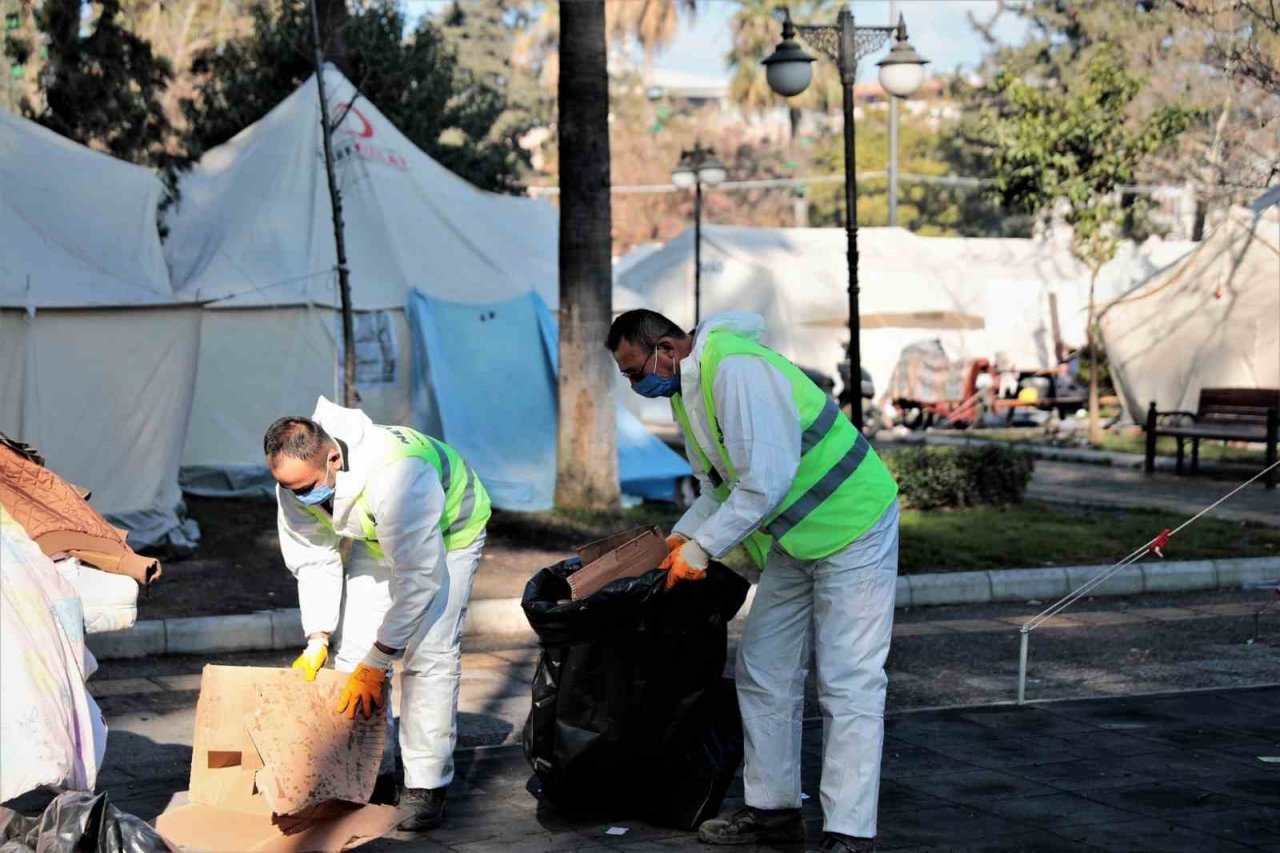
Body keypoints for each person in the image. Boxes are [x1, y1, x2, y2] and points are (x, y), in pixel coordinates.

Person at [607, 310, 900, 853]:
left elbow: (765, 482)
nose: (634, 384)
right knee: (765, 668)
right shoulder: (687, 389)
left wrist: (700, 549)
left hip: (854, 522)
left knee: (848, 681)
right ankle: (773, 812)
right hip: (795, 538)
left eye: (633, 371)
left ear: (667, 349)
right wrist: (678, 540)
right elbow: (719, 487)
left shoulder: (736, 370)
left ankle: (851, 834)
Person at [264, 396, 490, 832]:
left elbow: (418, 578)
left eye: (307, 488)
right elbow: (314, 558)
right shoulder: (297, 480)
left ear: (333, 457)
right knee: (351, 656)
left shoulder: (398, 475)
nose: (302, 498)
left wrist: (381, 657)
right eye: (291, 489)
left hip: (450, 532)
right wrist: (318, 637)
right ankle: (370, 774)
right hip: (378, 536)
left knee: (428, 656)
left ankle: (425, 786)